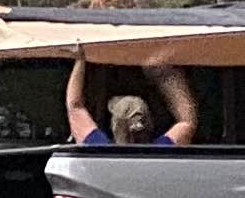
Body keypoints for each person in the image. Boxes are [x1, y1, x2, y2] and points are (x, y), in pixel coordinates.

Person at [65, 54, 198, 148]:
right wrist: (162, 74)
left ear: (114, 125)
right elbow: (187, 121)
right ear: (149, 123)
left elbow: (75, 106)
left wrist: (81, 58)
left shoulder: (97, 148)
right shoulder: (160, 151)